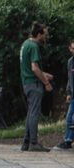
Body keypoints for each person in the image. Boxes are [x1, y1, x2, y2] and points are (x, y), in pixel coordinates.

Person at [19, 23, 54, 151]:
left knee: (30, 112)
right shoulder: (34, 46)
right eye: (45, 35)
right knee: (34, 113)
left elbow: (29, 67)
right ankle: (34, 143)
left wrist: (43, 74)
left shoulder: (25, 44)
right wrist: (46, 82)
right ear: (39, 34)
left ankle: (26, 143)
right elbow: (34, 68)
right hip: (34, 84)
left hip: (27, 82)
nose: (46, 37)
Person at [59, 40, 74, 151]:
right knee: (69, 117)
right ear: (70, 49)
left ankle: (69, 139)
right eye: (73, 49)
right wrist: (68, 92)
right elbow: (70, 78)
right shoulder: (70, 62)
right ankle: (68, 140)